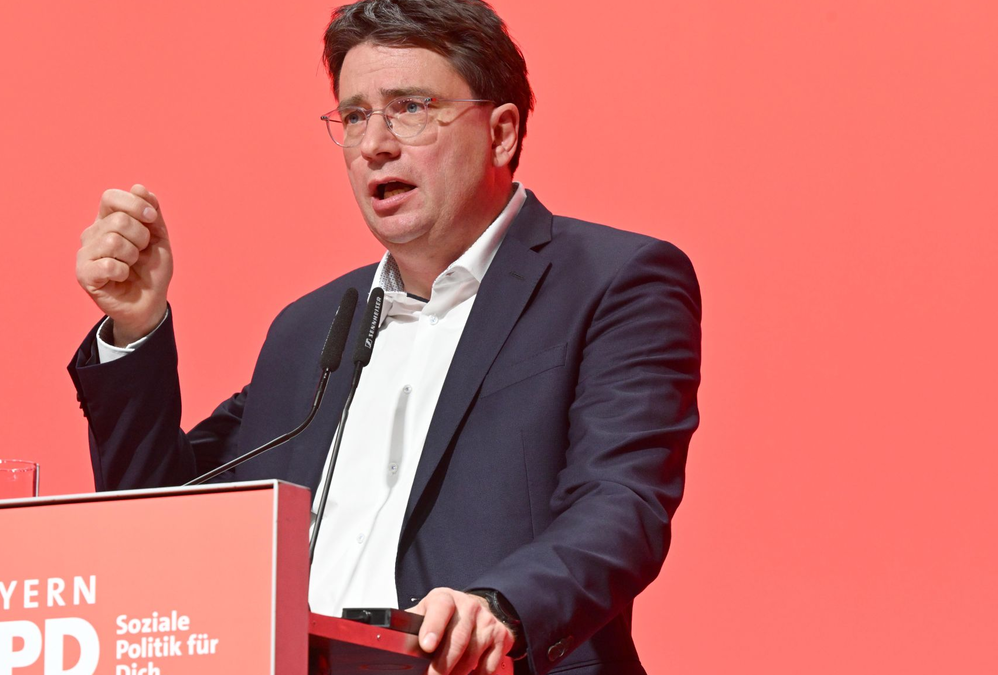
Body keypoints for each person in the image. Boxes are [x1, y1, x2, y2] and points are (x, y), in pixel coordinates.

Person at [68, 1, 701, 674]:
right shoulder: (311, 329)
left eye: (410, 108)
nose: (374, 144)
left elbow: (620, 505)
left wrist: (498, 608)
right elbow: (165, 523)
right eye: (355, 116)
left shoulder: (612, 282)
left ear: (502, 133)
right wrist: (134, 327)